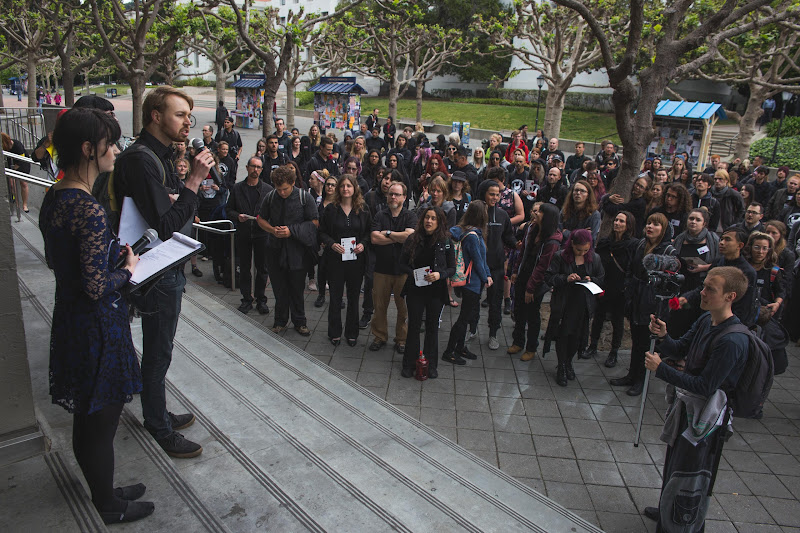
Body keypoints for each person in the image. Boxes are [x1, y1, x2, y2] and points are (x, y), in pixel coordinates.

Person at [39, 107, 154, 524]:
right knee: (101, 420)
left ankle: (102, 488)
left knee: (88, 417)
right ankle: (108, 505)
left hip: (71, 318)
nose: (116, 150)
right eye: (110, 143)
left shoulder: (56, 196)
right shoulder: (85, 208)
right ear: (90, 149)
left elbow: (66, 264)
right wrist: (126, 270)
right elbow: (93, 285)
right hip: (97, 328)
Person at [113, 86, 215, 458]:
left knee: (161, 350)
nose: (188, 121)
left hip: (161, 266)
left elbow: (165, 208)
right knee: (157, 351)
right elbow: (166, 224)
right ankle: (158, 426)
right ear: (155, 116)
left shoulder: (157, 156)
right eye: (180, 115)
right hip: (153, 271)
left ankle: (159, 412)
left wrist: (177, 193)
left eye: (189, 115)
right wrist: (192, 183)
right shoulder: (141, 160)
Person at [642, 267, 750, 531]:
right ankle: (669, 508)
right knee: (674, 463)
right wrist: (664, 336)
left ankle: (681, 522)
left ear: (730, 296)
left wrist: (662, 370)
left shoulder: (733, 340)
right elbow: (679, 348)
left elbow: (705, 386)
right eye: (704, 286)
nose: (702, 292)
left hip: (705, 421)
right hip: (686, 410)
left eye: (710, 289)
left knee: (689, 473)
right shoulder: (706, 320)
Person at [610, 213, 677, 396]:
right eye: (648, 223)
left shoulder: (668, 251)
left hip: (653, 302)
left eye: (655, 224)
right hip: (636, 298)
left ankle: (641, 380)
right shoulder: (641, 244)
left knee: (647, 343)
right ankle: (631, 375)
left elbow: (670, 280)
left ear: (663, 229)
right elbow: (632, 268)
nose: (650, 227)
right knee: (636, 340)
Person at [257, 165, 319, 336]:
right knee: (279, 288)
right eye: (279, 189)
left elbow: (314, 223)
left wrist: (291, 230)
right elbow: (260, 219)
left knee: (297, 289)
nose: (282, 193)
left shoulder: (304, 197)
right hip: (275, 250)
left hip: (297, 251)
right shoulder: (270, 196)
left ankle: (300, 322)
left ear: (293, 183)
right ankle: (280, 321)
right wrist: (272, 230)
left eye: (284, 189)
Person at [399, 206, 456, 378]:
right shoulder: (412, 239)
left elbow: (452, 268)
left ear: (439, 222)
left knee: (432, 327)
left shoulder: (446, 241)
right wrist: (415, 275)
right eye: (427, 217)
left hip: (436, 291)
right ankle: (409, 363)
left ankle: (430, 365)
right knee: (414, 325)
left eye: (433, 218)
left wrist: (440, 275)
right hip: (416, 289)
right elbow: (401, 264)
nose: (429, 221)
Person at [545, 229, 605, 386]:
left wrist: (591, 279)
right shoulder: (561, 256)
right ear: (572, 244)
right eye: (579, 250)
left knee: (577, 337)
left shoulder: (594, 258)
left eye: (586, 250)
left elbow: (601, 278)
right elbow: (549, 277)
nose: (583, 253)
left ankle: (568, 362)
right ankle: (561, 366)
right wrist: (566, 278)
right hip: (565, 302)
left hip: (583, 303)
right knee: (564, 335)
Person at [318, 174, 372, 346]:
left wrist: (363, 244)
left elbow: (368, 233)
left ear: (355, 188)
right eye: (342, 186)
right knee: (335, 297)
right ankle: (334, 332)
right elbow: (322, 232)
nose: (345, 189)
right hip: (335, 260)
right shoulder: (331, 209)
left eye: (349, 186)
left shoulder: (363, 209)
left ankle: (352, 332)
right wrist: (331, 244)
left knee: (354, 297)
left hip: (356, 260)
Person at [509, 203, 562, 361]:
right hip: (523, 274)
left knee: (532, 314)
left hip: (537, 282)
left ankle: (531, 347)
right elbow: (522, 252)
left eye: (540, 212)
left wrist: (531, 288)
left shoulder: (552, 241)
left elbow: (542, 267)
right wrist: (515, 271)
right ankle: (518, 341)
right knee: (518, 310)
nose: (536, 213)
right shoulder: (532, 229)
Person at [442, 201, 493, 364]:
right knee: (464, 318)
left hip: (469, 282)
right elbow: (478, 260)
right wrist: (486, 277)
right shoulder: (473, 236)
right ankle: (450, 350)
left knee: (466, 316)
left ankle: (459, 347)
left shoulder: (464, 231)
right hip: (472, 283)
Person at [369, 181, 417, 353]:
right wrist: (399, 236)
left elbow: (410, 237)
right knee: (379, 306)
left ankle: (401, 339)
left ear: (404, 197)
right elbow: (374, 238)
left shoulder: (410, 216)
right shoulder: (380, 215)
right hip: (381, 269)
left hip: (403, 271)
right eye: (391, 194)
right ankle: (380, 336)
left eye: (397, 194)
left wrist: (387, 234)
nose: (393, 197)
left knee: (402, 309)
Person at [584, 211, 636, 368]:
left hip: (620, 289)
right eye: (616, 220)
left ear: (628, 226)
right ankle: (593, 345)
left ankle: (614, 351)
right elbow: (597, 261)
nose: (617, 223)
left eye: (621, 221)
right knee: (598, 316)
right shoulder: (605, 242)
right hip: (603, 286)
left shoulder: (632, 245)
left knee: (617, 321)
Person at [678, 227, 758, 328]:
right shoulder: (718, 262)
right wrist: (686, 297)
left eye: (727, 239)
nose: (722, 243)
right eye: (721, 239)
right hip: (708, 317)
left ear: (740, 245)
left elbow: (744, 307)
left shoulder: (747, 272)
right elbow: (703, 287)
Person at [227, 156, 273, 315]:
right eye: (253, 166)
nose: (256, 170)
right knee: (245, 268)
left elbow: (272, 213)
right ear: (247, 168)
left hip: (261, 234)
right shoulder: (237, 188)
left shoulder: (268, 189)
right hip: (244, 233)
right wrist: (237, 216)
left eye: (259, 167)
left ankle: (261, 299)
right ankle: (246, 299)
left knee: (262, 269)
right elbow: (229, 210)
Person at [668, 208, 719, 338]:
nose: (693, 222)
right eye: (691, 219)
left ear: (704, 223)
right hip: (682, 283)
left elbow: (719, 263)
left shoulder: (713, 239)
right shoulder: (680, 238)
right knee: (680, 316)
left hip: (702, 283)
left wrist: (703, 267)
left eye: (698, 220)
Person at [481, 180, 518, 350]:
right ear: (484, 194)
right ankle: (471, 329)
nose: (495, 197)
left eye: (497, 194)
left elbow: (509, 238)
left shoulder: (503, 215)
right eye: (491, 194)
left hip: (496, 266)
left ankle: (493, 333)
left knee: (495, 303)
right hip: (476, 265)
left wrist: (519, 245)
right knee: (473, 301)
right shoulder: (477, 213)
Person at [745, 232, 789, 374]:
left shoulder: (773, 271)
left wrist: (776, 303)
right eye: (757, 247)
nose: (760, 252)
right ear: (750, 247)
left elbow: (781, 291)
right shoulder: (743, 267)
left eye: (765, 248)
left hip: (764, 317)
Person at [314, 174, 338, 308]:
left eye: (333, 185)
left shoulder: (340, 204)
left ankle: (336, 297)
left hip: (334, 242)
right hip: (321, 242)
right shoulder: (319, 202)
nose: (330, 187)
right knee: (322, 270)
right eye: (328, 184)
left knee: (335, 272)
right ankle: (321, 295)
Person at [561, 179, 600, 244]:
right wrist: (582, 233)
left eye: (582, 191)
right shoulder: (564, 210)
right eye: (576, 190)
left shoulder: (594, 214)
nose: (578, 193)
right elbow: (559, 232)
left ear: (588, 195)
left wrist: (566, 232)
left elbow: (591, 238)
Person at [2, 132, 31, 212]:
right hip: (11, 164)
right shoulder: (5, 147)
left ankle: (25, 205)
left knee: (24, 183)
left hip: (22, 164)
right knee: (11, 184)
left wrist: (14, 169)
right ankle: (16, 203)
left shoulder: (17, 145)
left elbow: (22, 160)